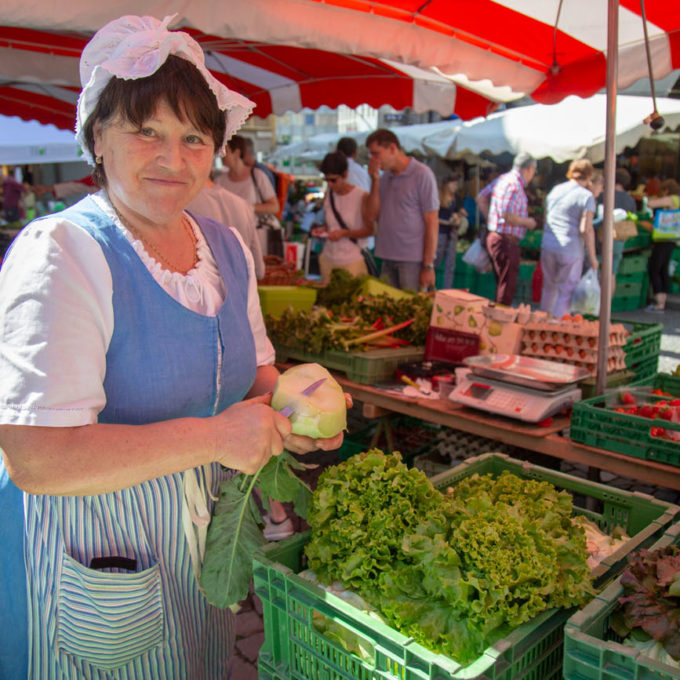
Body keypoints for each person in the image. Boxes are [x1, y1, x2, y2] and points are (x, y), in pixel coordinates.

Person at [0, 15, 346, 679]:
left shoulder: (223, 247)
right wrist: (218, 439)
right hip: (93, 554)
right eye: (146, 131)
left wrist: (298, 407)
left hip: (198, 544)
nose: (175, 158)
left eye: (194, 137)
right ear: (97, 137)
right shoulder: (63, 254)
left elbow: (253, 375)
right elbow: (37, 459)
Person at [365, 128, 439, 290]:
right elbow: (371, 216)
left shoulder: (422, 174)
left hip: (412, 260)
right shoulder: (384, 178)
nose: (373, 159)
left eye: (376, 153)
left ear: (392, 148)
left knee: (411, 310)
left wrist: (428, 265)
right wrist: (375, 181)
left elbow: (432, 221)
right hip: (386, 256)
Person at [539, 159, 599, 318]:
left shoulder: (555, 190)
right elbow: (585, 229)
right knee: (566, 291)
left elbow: (546, 218)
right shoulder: (587, 197)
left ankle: (542, 323)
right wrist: (592, 257)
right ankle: (558, 327)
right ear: (589, 176)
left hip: (549, 244)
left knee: (549, 286)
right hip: (571, 249)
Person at [476, 153, 537, 305]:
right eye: (534, 171)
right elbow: (507, 214)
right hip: (505, 240)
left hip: (497, 237)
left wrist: (491, 220)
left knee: (503, 284)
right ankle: (499, 323)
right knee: (506, 286)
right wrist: (527, 222)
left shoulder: (503, 179)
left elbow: (481, 197)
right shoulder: (514, 184)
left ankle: (497, 319)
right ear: (529, 169)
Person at [310, 151, 374, 284]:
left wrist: (345, 233)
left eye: (333, 180)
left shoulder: (361, 196)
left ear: (345, 175)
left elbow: (370, 230)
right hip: (328, 258)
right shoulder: (329, 195)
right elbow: (332, 225)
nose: (330, 185)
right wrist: (324, 230)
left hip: (352, 261)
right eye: (326, 180)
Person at [187, 177, 266, 279]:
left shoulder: (182, 205)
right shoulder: (243, 206)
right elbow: (259, 270)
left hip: (198, 290)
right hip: (239, 290)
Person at [645, 178, 680, 311]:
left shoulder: (672, 199)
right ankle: (662, 300)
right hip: (672, 239)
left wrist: (650, 198)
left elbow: (650, 204)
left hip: (664, 238)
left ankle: (659, 302)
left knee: (655, 268)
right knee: (663, 269)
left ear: (666, 190)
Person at [435, 173, 468, 289]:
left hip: (452, 233)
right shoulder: (438, 197)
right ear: (447, 184)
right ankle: (429, 287)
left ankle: (447, 290)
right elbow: (433, 217)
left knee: (450, 265)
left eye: (456, 184)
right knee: (436, 261)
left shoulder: (456, 198)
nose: (455, 187)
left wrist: (458, 216)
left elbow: (457, 212)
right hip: (440, 232)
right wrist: (446, 222)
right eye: (453, 184)